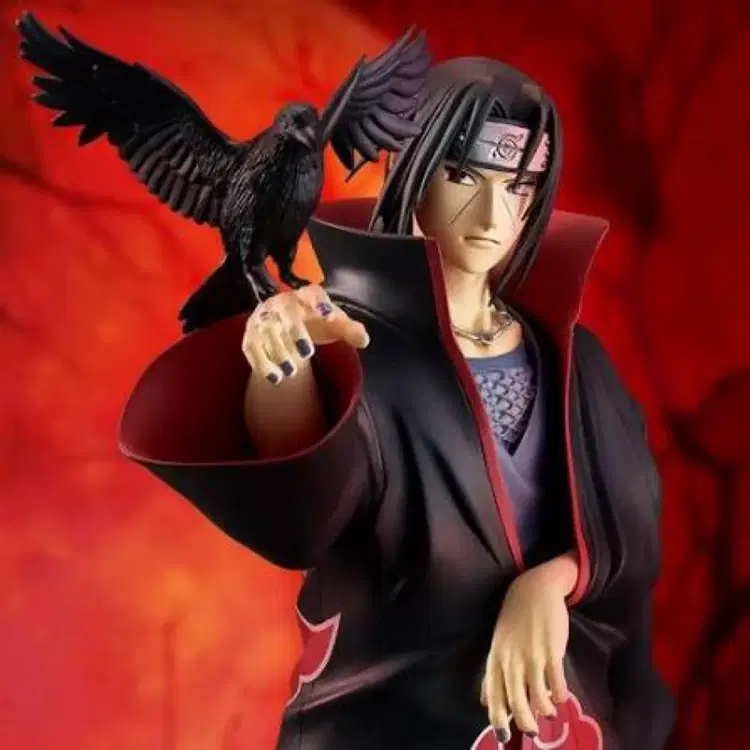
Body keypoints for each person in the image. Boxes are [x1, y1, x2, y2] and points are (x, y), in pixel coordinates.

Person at [118, 57, 675, 750]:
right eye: (464, 177)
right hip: (386, 715)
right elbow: (303, 512)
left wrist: (552, 582)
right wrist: (283, 363)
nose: (493, 215)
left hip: (548, 721)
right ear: (415, 169)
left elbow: (630, 524)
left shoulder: (572, 358)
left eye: (520, 187)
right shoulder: (350, 339)